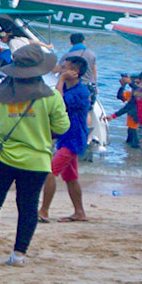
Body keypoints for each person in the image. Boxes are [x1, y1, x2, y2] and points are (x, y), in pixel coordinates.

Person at [0, 45, 67, 267]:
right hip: (37, 159)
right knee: (28, 206)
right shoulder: (52, 97)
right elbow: (62, 126)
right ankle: (18, 255)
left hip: (2, 156)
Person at [39, 56, 93, 223]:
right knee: (70, 177)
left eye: (64, 68)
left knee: (50, 172)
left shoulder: (82, 92)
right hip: (65, 137)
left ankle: (44, 211)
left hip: (74, 139)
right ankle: (79, 212)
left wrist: (61, 79)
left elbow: (58, 104)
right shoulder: (66, 89)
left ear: (74, 72)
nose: (61, 70)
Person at [110, 72, 142, 148]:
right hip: (131, 125)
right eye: (134, 82)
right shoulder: (131, 94)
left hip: (139, 126)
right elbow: (120, 97)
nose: (136, 84)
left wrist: (130, 83)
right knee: (128, 144)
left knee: (137, 145)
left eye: (138, 83)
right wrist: (123, 86)